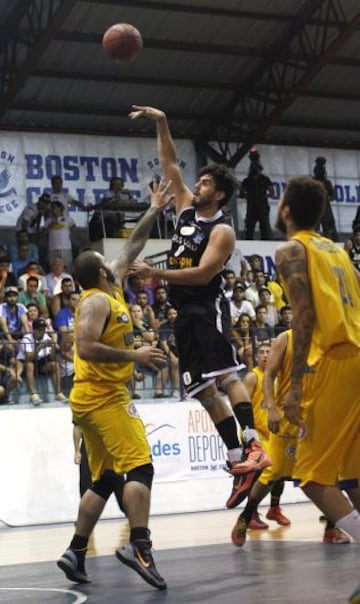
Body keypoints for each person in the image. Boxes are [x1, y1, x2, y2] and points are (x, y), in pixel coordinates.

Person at [129, 105, 271, 509]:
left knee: (225, 376)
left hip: (207, 307)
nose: (199, 184)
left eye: (206, 182)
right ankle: (237, 460)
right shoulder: (187, 207)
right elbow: (169, 162)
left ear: (219, 193)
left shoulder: (222, 229)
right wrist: (162, 122)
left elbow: (205, 273)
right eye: (200, 180)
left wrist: (157, 275)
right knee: (203, 391)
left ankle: (254, 441)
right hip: (182, 313)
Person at [57, 178, 172, 591]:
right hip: (103, 399)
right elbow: (86, 348)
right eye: (108, 261)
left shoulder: (110, 288)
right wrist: (135, 356)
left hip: (92, 401)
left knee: (104, 479)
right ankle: (139, 545)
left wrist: (155, 208)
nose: (115, 261)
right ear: (103, 272)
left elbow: (134, 245)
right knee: (140, 467)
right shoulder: (96, 300)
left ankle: (75, 550)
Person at [274, 175, 360, 604]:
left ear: (287, 209)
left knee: (309, 475)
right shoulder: (338, 250)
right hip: (358, 354)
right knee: (351, 474)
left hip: (332, 360)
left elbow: (303, 315)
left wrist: (294, 386)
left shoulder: (292, 250)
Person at [231, 330, 350, 546]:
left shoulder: (328, 335)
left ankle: (332, 529)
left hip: (319, 415)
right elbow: (269, 374)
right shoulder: (286, 338)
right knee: (273, 472)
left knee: (330, 472)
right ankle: (246, 516)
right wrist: (272, 408)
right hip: (288, 415)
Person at [16, 317, 66, 405]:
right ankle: (34, 395)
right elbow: (29, 358)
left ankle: (59, 393)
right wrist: (40, 347)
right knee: (29, 364)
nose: (42, 331)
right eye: (40, 329)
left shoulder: (46, 336)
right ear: (34, 330)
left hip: (41, 364)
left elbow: (52, 357)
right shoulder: (27, 339)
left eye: (43, 329)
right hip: (26, 364)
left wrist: (53, 347)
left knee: (55, 364)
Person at [239, 150, 274, 240]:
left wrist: (264, 197)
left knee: (264, 229)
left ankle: (266, 245)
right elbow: (241, 193)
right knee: (249, 230)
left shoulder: (265, 179)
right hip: (251, 207)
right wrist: (248, 196)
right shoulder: (247, 180)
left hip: (263, 207)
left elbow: (272, 192)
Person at [312, 156, 338, 241]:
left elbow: (333, 195)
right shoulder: (313, 182)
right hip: (316, 204)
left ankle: (330, 240)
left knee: (327, 225)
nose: (321, 172)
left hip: (324, 205)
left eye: (322, 171)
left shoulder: (326, 183)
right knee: (315, 225)